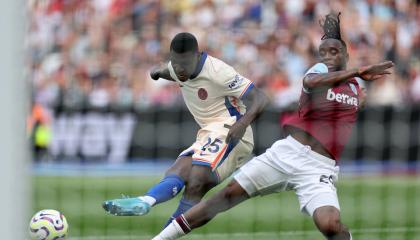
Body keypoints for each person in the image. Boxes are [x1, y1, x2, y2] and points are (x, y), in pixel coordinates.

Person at [152, 13, 394, 240]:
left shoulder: (353, 86)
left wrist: (360, 95)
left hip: (319, 166)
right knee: (223, 198)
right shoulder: (320, 71)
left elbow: (353, 103)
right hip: (286, 153)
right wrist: (358, 72)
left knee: (331, 225)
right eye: (323, 52)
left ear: (346, 54)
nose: (328, 57)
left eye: (334, 51)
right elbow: (311, 82)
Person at [102, 32, 269, 227]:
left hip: (233, 130)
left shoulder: (218, 72)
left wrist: (242, 124)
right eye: (175, 62)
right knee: (180, 170)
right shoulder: (177, 68)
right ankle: (146, 201)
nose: (179, 69)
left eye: (184, 63)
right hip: (208, 133)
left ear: (197, 56)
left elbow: (262, 98)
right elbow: (165, 71)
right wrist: (156, 72)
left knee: (197, 177)